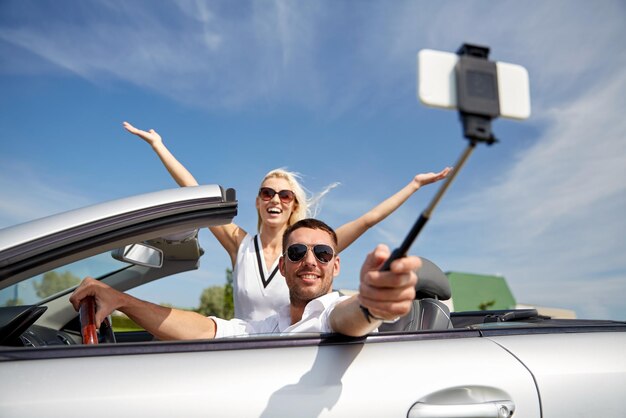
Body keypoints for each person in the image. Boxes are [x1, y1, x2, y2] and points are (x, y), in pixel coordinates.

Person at [122, 121, 448, 321]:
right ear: (258, 200)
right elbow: (196, 194)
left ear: (292, 205)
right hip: (245, 352)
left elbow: (368, 220)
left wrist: (415, 185)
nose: (275, 199)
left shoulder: (311, 249)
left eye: (284, 195)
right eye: (267, 192)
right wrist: (159, 146)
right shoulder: (239, 242)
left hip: (294, 351)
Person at [69, 219, 420, 339]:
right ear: (282, 266)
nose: (310, 261)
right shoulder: (272, 325)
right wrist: (122, 300)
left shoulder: (331, 312)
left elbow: (350, 319)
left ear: (336, 265)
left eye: (322, 254)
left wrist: (373, 306)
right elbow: (205, 330)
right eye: (297, 253)